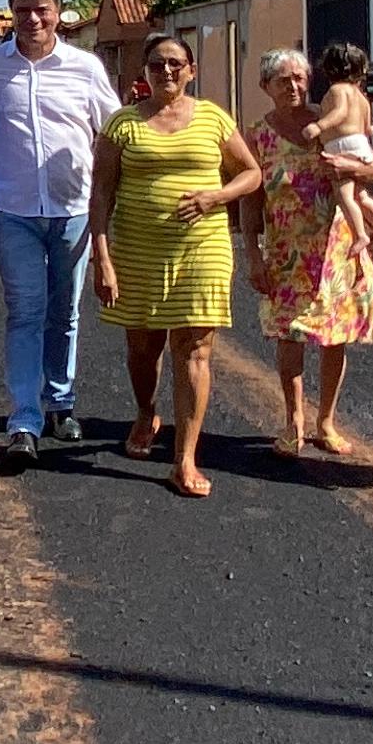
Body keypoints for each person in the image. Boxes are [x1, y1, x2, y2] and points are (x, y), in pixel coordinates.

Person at [90, 35, 266, 499]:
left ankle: (184, 458)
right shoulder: (121, 124)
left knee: (195, 349)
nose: (165, 71)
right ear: (143, 72)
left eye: (175, 63)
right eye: (156, 64)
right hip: (137, 250)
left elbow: (252, 173)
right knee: (143, 348)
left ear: (191, 69)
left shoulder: (213, 118)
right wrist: (102, 258)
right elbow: (101, 194)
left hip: (203, 248)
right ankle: (146, 411)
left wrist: (217, 196)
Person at [0, 0, 124, 467]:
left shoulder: (84, 67)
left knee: (65, 312)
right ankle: (23, 419)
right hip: (14, 208)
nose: (34, 18)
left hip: (73, 210)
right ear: (10, 13)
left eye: (42, 9)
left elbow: (112, 130)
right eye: (23, 10)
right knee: (25, 312)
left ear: (58, 11)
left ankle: (60, 402)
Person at [250, 45, 373, 457]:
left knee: (336, 337)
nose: (293, 86)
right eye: (283, 80)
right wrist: (254, 255)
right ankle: (292, 423)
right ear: (266, 87)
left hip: (338, 247)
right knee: (290, 335)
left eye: (299, 78)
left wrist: (352, 170)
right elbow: (251, 199)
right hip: (286, 250)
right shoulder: (258, 135)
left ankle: (326, 422)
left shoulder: (330, 119)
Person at [305, 40, 373, 255]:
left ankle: (360, 235)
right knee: (362, 197)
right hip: (360, 144)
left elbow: (339, 113)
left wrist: (318, 126)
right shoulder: (362, 98)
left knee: (344, 196)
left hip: (342, 146)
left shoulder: (338, 90)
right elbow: (367, 127)